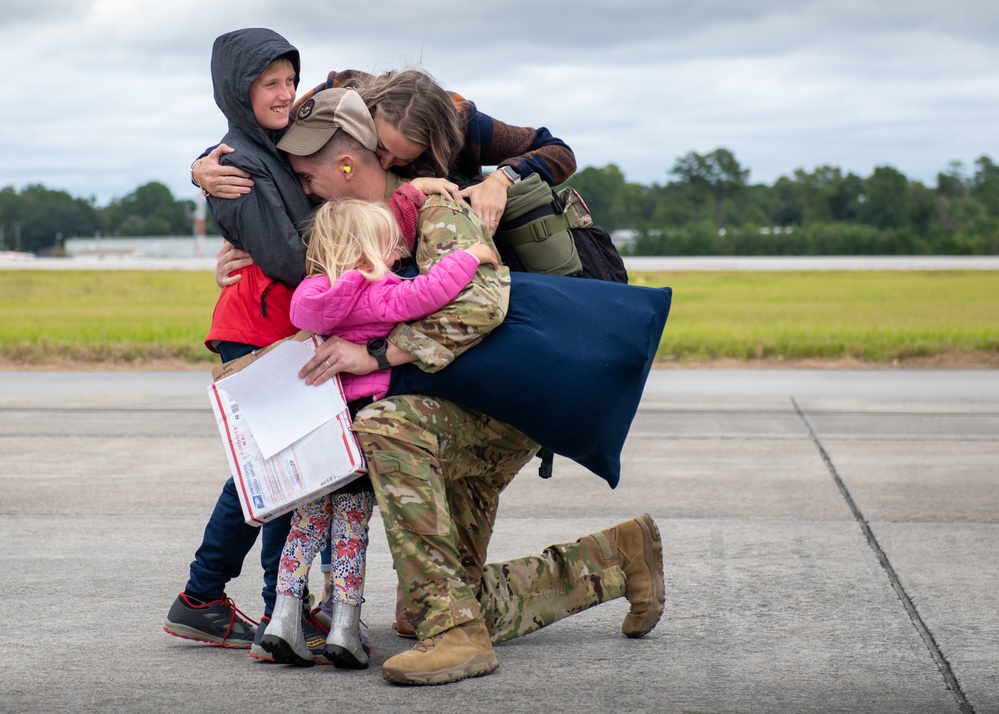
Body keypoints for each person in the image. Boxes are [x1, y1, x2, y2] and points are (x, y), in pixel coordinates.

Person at [275, 89, 667, 686]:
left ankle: (456, 638)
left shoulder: (437, 212)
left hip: (495, 408)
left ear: (347, 163)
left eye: (308, 175)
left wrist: (374, 354)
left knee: (385, 426)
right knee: (429, 606)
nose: (304, 190)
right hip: (449, 411)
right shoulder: (358, 227)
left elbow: (483, 301)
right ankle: (618, 559)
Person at [260, 192, 500, 669]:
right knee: (351, 528)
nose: (399, 256)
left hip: (321, 430)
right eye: (389, 247)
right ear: (366, 252)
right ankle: (345, 627)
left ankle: (284, 617)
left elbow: (305, 314)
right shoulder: (379, 294)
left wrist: (346, 273)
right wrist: (471, 255)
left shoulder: (312, 292)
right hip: (362, 430)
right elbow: (430, 292)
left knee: (307, 523)